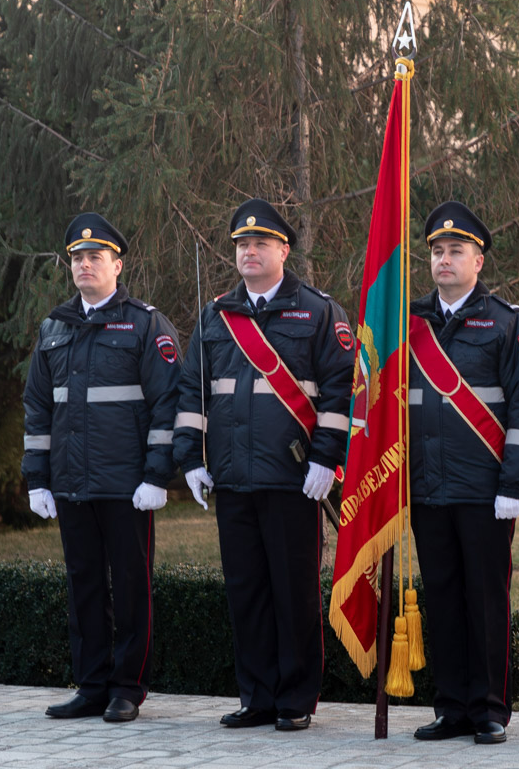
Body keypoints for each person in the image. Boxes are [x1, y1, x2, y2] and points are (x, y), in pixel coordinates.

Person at [173, 198, 354, 732]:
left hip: (293, 480)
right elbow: (192, 393)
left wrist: (326, 459)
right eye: (242, 244)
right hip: (232, 478)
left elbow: (341, 392)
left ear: (284, 250)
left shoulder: (319, 312)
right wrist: (190, 459)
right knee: (246, 591)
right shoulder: (215, 316)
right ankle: (256, 696)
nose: (249, 252)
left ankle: (295, 699)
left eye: (260, 243)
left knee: (294, 592)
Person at [21, 212, 182, 723]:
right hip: (71, 484)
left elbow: (168, 404)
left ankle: (127, 688)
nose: (85, 265)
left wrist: (156, 476)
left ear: (118, 265)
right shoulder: (54, 328)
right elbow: (38, 408)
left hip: (127, 486)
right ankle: (91, 685)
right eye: (77, 258)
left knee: (131, 587)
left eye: (95, 256)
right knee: (84, 585)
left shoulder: (145, 324)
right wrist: (37, 479)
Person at [407, 201, 519, 746]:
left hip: (486, 492)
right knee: (442, 597)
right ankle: (452, 707)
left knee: (485, 600)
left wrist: (515, 484)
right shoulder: (406, 324)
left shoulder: (507, 323)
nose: (445, 260)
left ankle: (489, 708)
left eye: (456, 251)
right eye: (437, 252)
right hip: (426, 488)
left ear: (478, 261)